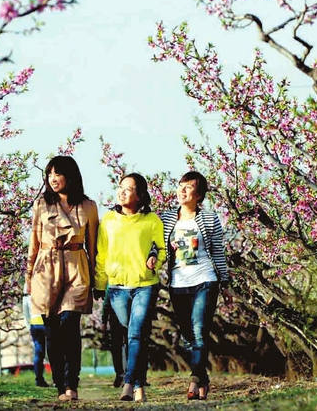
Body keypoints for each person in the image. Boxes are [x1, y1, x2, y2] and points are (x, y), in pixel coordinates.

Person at [25, 156, 99, 401]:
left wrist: (97, 281)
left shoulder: (88, 206)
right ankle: (59, 385)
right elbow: (33, 244)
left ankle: (72, 384)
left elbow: (93, 247)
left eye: (58, 173)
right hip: (46, 269)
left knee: (69, 323)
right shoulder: (42, 205)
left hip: (76, 266)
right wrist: (28, 277)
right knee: (52, 332)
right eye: (49, 174)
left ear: (71, 176)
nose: (53, 179)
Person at [158, 170, 231, 401]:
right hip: (178, 283)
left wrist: (225, 283)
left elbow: (218, 252)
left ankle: (194, 379)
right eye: (181, 185)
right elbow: (156, 246)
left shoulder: (209, 218)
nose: (182, 190)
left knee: (199, 332)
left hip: (205, 279)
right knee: (189, 335)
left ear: (199, 195)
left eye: (189, 187)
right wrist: (158, 253)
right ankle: (204, 379)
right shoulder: (167, 218)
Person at [93, 173, 165, 403]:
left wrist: (156, 261)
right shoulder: (109, 220)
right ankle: (139, 383)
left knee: (135, 334)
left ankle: (128, 384)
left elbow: (161, 249)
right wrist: (99, 283)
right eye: (120, 187)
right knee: (134, 336)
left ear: (140, 195)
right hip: (117, 288)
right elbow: (101, 255)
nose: (122, 191)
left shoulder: (152, 220)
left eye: (129, 189)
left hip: (145, 285)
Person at [22, 295, 51, 388]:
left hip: (34, 324)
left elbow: (25, 312)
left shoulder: (27, 295)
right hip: (48, 321)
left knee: (39, 352)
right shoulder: (43, 287)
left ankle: (39, 379)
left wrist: (28, 326)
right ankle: (57, 379)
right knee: (53, 350)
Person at [100, 289, 126, 388]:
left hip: (124, 318)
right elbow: (107, 302)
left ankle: (125, 375)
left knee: (122, 347)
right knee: (117, 348)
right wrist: (104, 320)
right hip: (115, 319)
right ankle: (119, 373)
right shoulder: (112, 283)